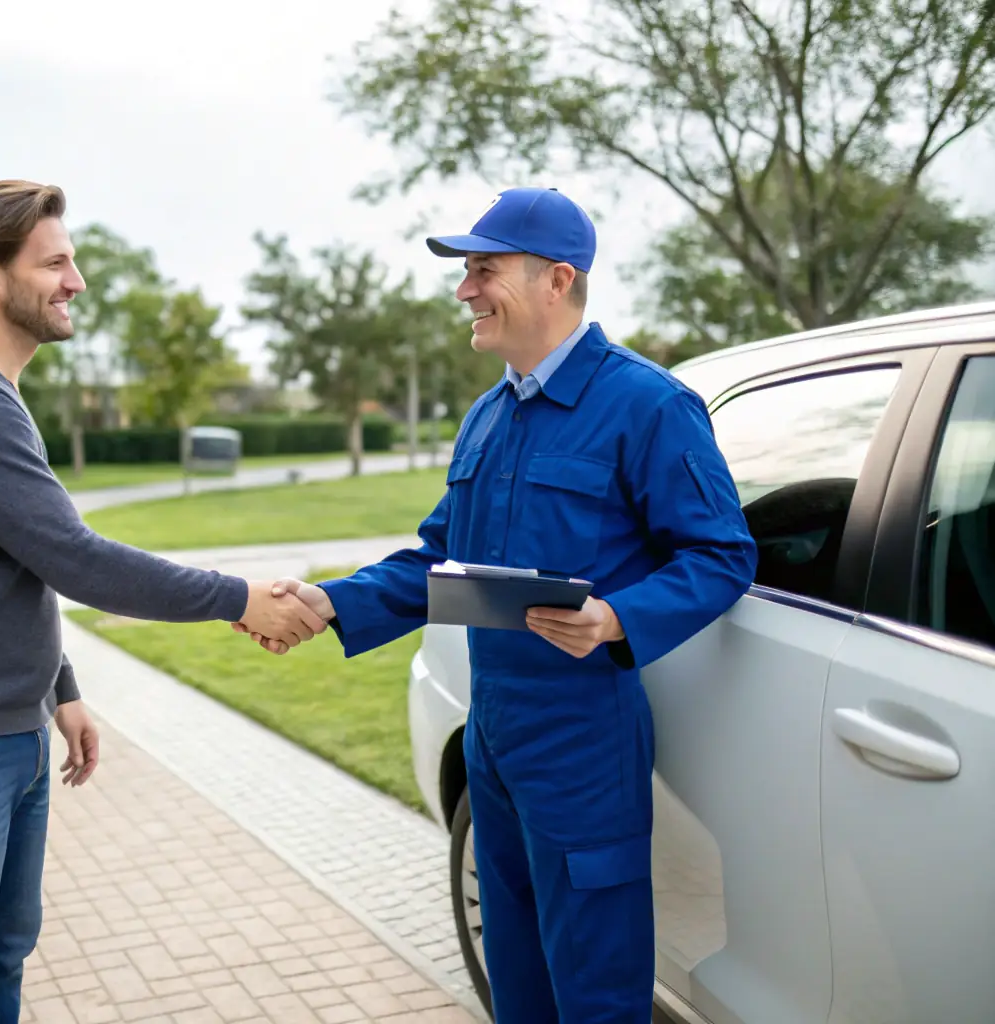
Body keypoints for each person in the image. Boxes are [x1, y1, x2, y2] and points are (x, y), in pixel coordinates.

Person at [239, 187, 757, 1022]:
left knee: (592, 988)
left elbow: (721, 554)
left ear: (556, 280)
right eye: (465, 270)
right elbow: (438, 559)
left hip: (584, 739)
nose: (464, 290)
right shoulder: (487, 416)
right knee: (513, 978)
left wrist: (617, 619)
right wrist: (328, 604)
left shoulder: (648, 405)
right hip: (493, 737)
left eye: (483, 270)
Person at [0, 179, 324, 1024]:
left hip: (0, 730)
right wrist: (239, 597)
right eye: (56, 263)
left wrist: (59, 690)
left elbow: (15, 558)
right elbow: (76, 558)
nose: (76, 282)